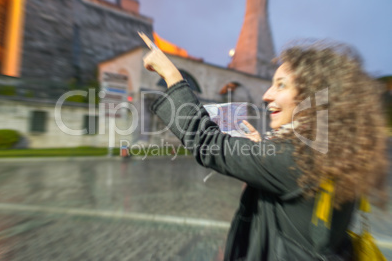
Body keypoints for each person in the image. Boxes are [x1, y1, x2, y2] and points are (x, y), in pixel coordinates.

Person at [142, 40, 388, 260]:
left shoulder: (297, 156)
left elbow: (208, 143)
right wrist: (263, 153)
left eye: (281, 85)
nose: (267, 95)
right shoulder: (331, 149)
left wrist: (171, 75)